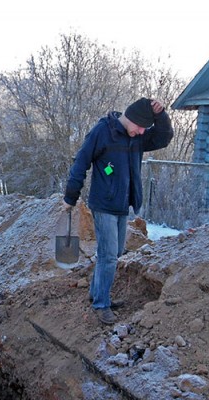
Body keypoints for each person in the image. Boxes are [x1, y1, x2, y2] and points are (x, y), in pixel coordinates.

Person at [63, 97, 174, 324]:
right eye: (141, 127)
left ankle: (96, 292)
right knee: (108, 255)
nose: (142, 132)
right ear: (132, 119)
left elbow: (164, 137)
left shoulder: (137, 139)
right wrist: (70, 196)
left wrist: (161, 114)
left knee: (115, 252)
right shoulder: (103, 132)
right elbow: (80, 162)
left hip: (123, 204)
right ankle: (101, 304)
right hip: (103, 204)